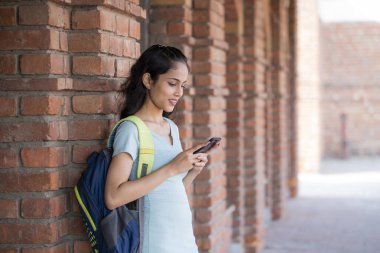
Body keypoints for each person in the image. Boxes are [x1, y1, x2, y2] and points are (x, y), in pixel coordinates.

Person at [104, 44, 219, 253]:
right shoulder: (131, 130)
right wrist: (172, 168)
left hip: (182, 239)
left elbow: (169, 190)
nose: (179, 92)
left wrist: (192, 171)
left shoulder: (172, 128)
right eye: (172, 84)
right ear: (148, 80)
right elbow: (113, 197)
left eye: (183, 85)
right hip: (154, 243)